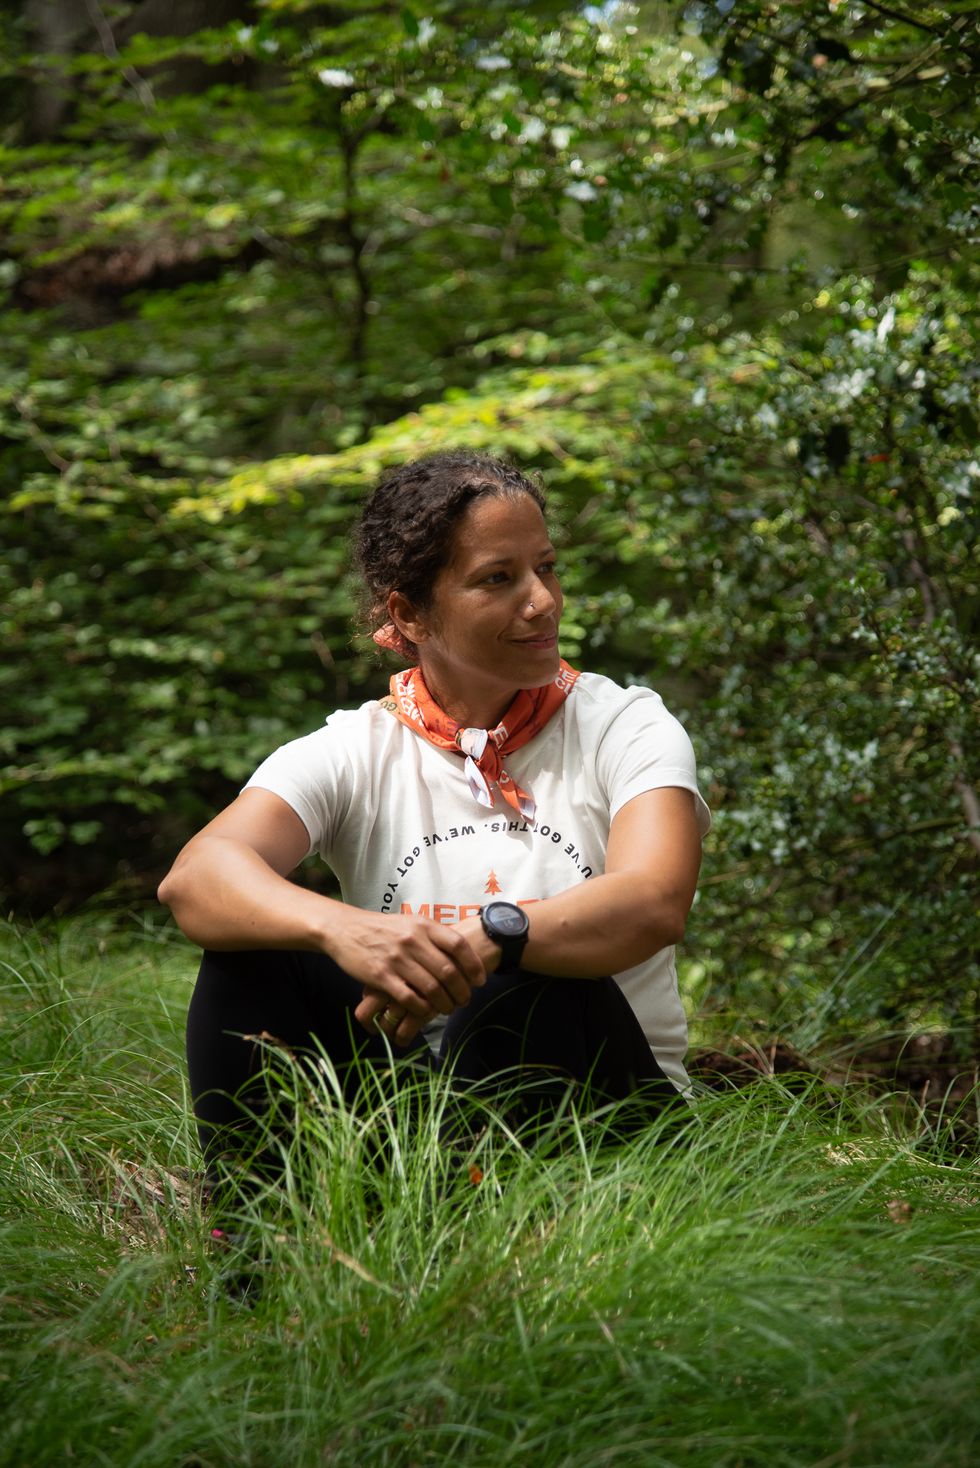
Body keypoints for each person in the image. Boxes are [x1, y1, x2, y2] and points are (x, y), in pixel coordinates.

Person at [158, 450, 711, 1201]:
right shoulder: (358, 747)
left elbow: (654, 901)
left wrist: (493, 938)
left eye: (546, 568)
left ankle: (512, 1255)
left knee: (524, 984)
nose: (542, 601)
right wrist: (343, 931)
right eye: (498, 578)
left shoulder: (625, 725)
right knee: (251, 958)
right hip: (416, 1122)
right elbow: (197, 877)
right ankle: (258, 1263)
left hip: (610, 1123)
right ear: (409, 614)